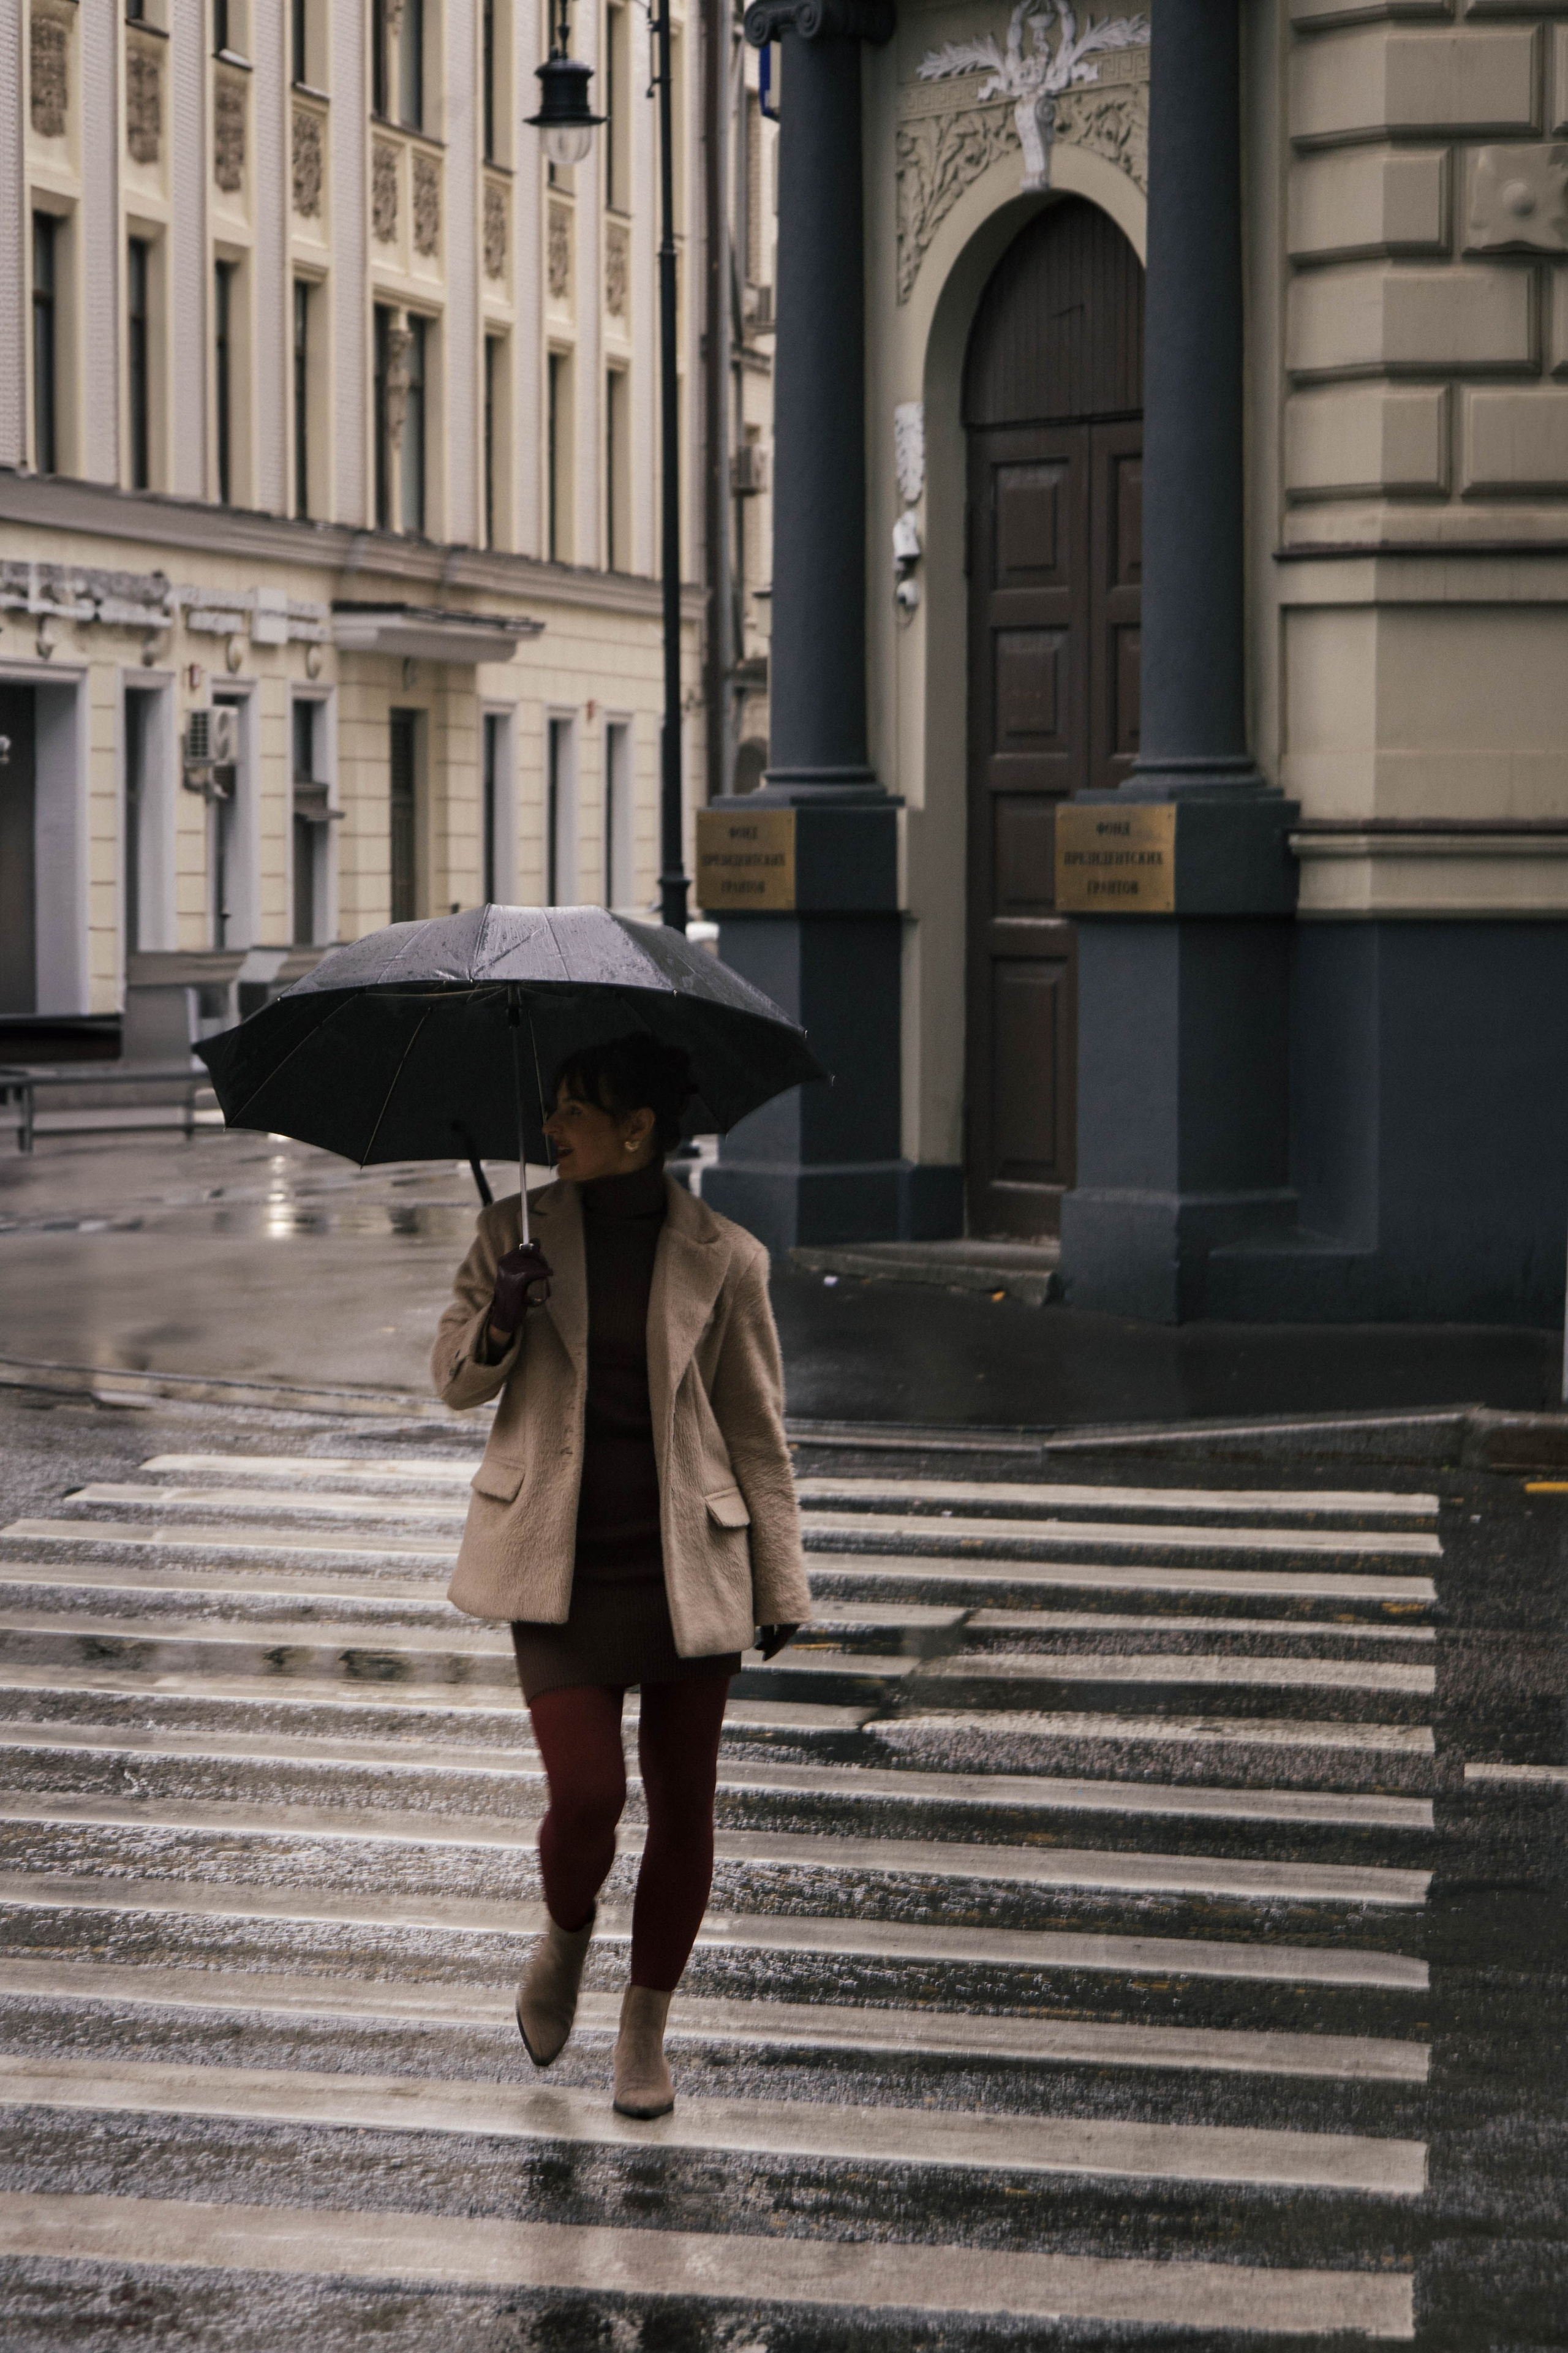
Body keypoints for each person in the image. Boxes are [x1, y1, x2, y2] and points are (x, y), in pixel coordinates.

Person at [432, 1032, 809, 2119]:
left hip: (687, 1559)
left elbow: (756, 1427)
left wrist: (781, 1584)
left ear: (636, 1128)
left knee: (685, 1806)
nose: (552, 1129)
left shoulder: (727, 1256)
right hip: (556, 1556)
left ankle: (645, 2024)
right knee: (589, 1792)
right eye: (551, 1110)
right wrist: (504, 1311)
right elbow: (452, 1378)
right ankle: (565, 1930)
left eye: (573, 1112)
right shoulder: (514, 1231)